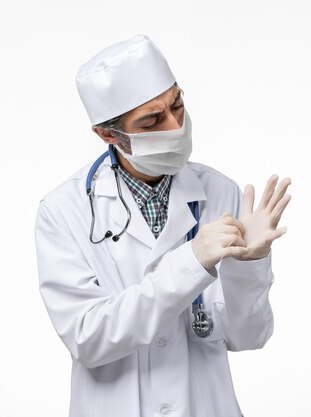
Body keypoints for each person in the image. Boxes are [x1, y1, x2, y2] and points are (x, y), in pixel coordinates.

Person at [34, 34, 292, 417]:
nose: (174, 126)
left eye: (177, 105)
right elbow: (88, 339)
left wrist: (250, 265)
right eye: (152, 120)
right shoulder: (63, 211)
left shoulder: (220, 191)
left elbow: (249, 337)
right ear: (108, 134)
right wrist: (191, 262)